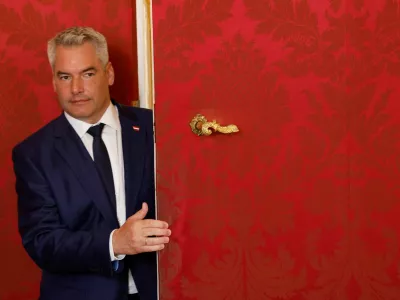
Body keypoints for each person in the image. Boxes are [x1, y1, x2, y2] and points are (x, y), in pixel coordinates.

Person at [12, 26, 171, 300]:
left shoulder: (154, 127)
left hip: (159, 290)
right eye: (65, 76)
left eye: (87, 73)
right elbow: (43, 242)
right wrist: (114, 243)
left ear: (108, 74)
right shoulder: (33, 153)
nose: (76, 89)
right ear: (53, 81)